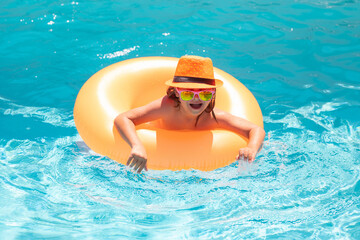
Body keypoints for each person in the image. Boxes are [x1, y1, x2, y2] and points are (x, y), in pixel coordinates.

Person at [114, 55, 265, 173]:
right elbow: (124, 118)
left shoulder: (212, 117)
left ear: (213, 94)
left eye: (205, 94)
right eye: (187, 93)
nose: (196, 98)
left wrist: (251, 148)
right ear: (176, 93)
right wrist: (137, 145)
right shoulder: (167, 107)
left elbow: (255, 129)